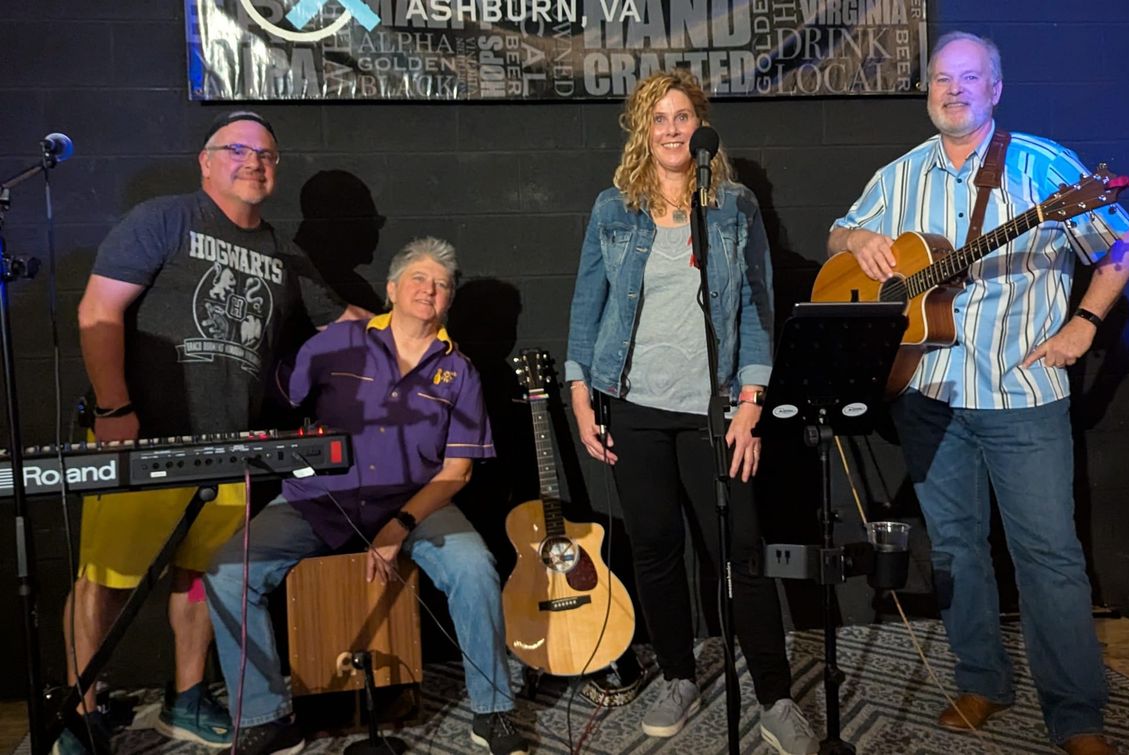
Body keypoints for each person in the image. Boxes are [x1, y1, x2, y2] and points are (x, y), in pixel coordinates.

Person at [827, 32, 1129, 755]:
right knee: (957, 550)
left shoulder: (1045, 166)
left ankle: (1076, 714)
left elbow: (1125, 244)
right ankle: (981, 679)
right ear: (927, 90)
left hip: (1021, 395)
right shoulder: (900, 173)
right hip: (927, 394)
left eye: (970, 78)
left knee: (1049, 557)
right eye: (942, 78)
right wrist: (855, 244)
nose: (953, 89)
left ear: (996, 90)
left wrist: (1085, 325)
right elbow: (837, 229)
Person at [62, 111, 370, 755]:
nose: (254, 161)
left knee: (202, 579)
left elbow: (345, 320)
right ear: (206, 162)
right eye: (238, 149)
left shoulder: (284, 253)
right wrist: (116, 409)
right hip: (144, 441)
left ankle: (186, 698)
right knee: (106, 579)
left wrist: (423, 321)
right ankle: (80, 711)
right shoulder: (164, 219)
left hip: (231, 448)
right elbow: (98, 311)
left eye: (267, 155)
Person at [565, 69, 816, 755]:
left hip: (715, 408)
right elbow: (588, 308)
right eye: (659, 118)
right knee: (655, 546)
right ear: (643, 131)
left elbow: (758, 308)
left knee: (743, 551)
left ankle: (774, 695)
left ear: (701, 126)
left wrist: (750, 401)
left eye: (682, 116)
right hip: (637, 405)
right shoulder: (613, 208)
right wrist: (582, 394)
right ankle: (678, 673)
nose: (673, 129)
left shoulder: (733, 206)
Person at [204, 238, 528, 755]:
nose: (431, 290)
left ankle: (493, 712)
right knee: (227, 571)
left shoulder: (459, 370)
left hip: (417, 502)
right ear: (393, 289)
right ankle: (265, 716)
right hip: (319, 496)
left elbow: (457, 471)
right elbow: (275, 395)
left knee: (475, 568)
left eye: (442, 285)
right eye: (419, 279)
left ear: (449, 302)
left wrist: (398, 526)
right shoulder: (338, 342)